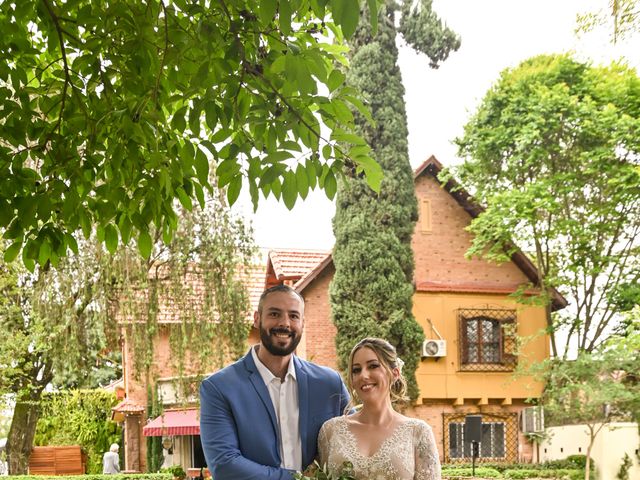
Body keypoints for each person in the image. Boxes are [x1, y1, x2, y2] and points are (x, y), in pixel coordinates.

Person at [199, 284, 350, 480]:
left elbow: (357, 439)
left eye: (294, 316)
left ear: (303, 323)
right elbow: (225, 464)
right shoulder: (218, 388)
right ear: (257, 319)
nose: (285, 323)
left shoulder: (329, 383)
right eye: (274, 314)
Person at [318, 337, 441, 480]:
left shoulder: (418, 432)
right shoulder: (330, 431)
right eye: (356, 370)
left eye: (373, 366)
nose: (363, 375)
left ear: (395, 373)